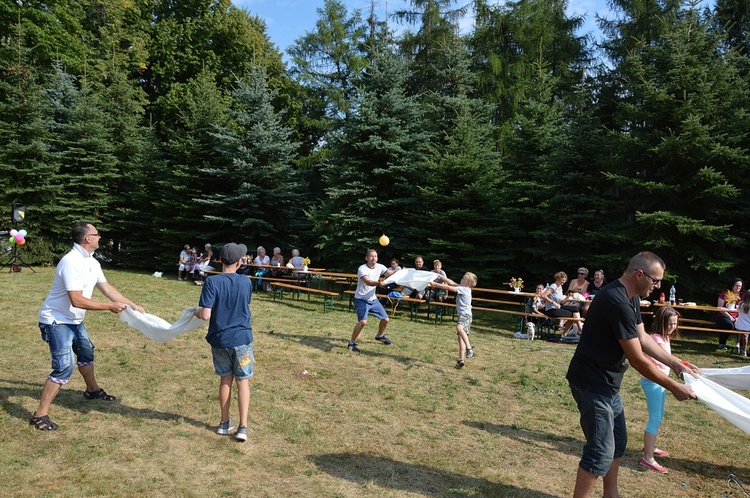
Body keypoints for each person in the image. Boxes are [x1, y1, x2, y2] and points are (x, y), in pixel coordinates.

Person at [566, 251, 698, 498]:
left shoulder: (632, 297)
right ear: (639, 274)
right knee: (599, 452)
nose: (658, 286)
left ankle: (611, 494)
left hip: (608, 384)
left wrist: (676, 363)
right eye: (655, 280)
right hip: (591, 383)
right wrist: (673, 386)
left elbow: (644, 338)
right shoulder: (616, 301)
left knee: (618, 440)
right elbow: (638, 359)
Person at [30, 222, 146, 431]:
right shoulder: (71, 262)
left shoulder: (92, 262)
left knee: (86, 351)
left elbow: (107, 288)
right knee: (64, 366)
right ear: (87, 239)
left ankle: (92, 391)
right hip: (56, 321)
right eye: (96, 234)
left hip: (73, 320)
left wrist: (131, 304)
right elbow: (77, 300)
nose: (100, 237)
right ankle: (40, 414)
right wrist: (109, 307)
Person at [195, 243, 254, 442]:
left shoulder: (212, 283)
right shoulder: (246, 282)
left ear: (220, 260)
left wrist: (193, 313)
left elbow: (204, 315)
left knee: (225, 379)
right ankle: (243, 427)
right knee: (242, 381)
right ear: (239, 262)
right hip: (242, 340)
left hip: (220, 340)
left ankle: (224, 423)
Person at [640, 306, 681, 474]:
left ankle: (649, 447)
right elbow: (669, 358)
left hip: (659, 382)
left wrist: (686, 365)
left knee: (658, 415)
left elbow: (671, 359)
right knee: (655, 418)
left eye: (675, 324)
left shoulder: (665, 337)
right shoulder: (656, 338)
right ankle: (647, 458)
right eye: (669, 324)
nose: (672, 327)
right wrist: (683, 367)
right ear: (661, 323)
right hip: (653, 382)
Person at [348, 249, 396, 352]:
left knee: (385, 319)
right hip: (361, 299)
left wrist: (402, 273)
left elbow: (391, 274)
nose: (374, 258)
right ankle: (351, 343)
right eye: (371, 256)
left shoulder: (380, 267)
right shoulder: (362, 268)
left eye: (375, 256)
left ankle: (379, 336)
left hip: (373, 299)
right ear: (366, 258)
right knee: (363, 322)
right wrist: (379, 283)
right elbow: (367, 281)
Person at [428, 272, 478, 369]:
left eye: (463, 279)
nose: (461, 279)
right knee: (460, 339)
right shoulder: (462, 287)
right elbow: (451, 283)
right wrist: (442, 277)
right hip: (464, 316)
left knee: (459, 328)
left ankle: (469, 348)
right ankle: (461, 360)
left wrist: (435, 284)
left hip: (465, 315)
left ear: (467, 283)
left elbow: (448, 288)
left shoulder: (464, 289)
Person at [542, 272, 582, 336]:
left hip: (558, 307)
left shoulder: (560, 287)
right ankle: (576, 331)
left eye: (564, 281)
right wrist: (553, 302)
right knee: (573, 315)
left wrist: (568, 297)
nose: (563, 282)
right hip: (551, 310)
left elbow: (562, 302)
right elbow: (543, 295)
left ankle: (579, 330)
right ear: (558, 279)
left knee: (575, 308)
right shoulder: (553, 286)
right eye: (562, 281)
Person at [715, 278, 743, 351]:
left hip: (738, 317)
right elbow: (720, 308)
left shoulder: (743, 296)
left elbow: (744, 310)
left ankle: (741, 346)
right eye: (736, 285)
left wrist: (737, 318)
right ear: (732, 286)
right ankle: (722, 343)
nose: (738, 287)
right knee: (728, 324)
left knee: (743, 325)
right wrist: (730, 317)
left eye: (740, 286)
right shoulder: (725, 293)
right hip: (723, 315)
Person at [734, 291, 750, 357]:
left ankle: (737, 344)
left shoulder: (741, 304)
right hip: (747, 326)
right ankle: (744, 350)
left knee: (740, 332)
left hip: (739, 325)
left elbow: (737, 310)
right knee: (745, 335)